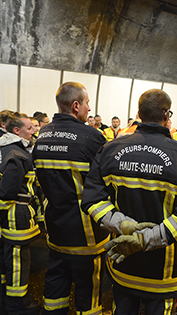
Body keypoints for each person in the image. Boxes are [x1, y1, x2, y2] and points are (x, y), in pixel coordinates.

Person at [81, 88, 177, 315]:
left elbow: (92, 201)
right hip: (162, 271)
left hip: (123, 262)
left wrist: (122, 225)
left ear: (138, 113)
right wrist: (143, 240)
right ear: (167, 115)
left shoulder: (109, 149)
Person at [32, 82, 107, 315]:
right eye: (87, 104)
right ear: (76, 106)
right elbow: (106, 182)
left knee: (55, 283)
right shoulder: (92, 137)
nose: (89, 109)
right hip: (85, 232)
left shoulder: (42, 134)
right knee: (89, 291)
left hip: (55, 225)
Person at [0, 112, 42, 315]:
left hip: (8, 216)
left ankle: (5, 294)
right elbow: (7, 191)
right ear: (17, 131)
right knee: (18, 260)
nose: (33, 131)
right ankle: (17, 304)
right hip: (16, 217)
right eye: (29, 128)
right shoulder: (18, 155)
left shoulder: (4, 149)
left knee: (7, 257)